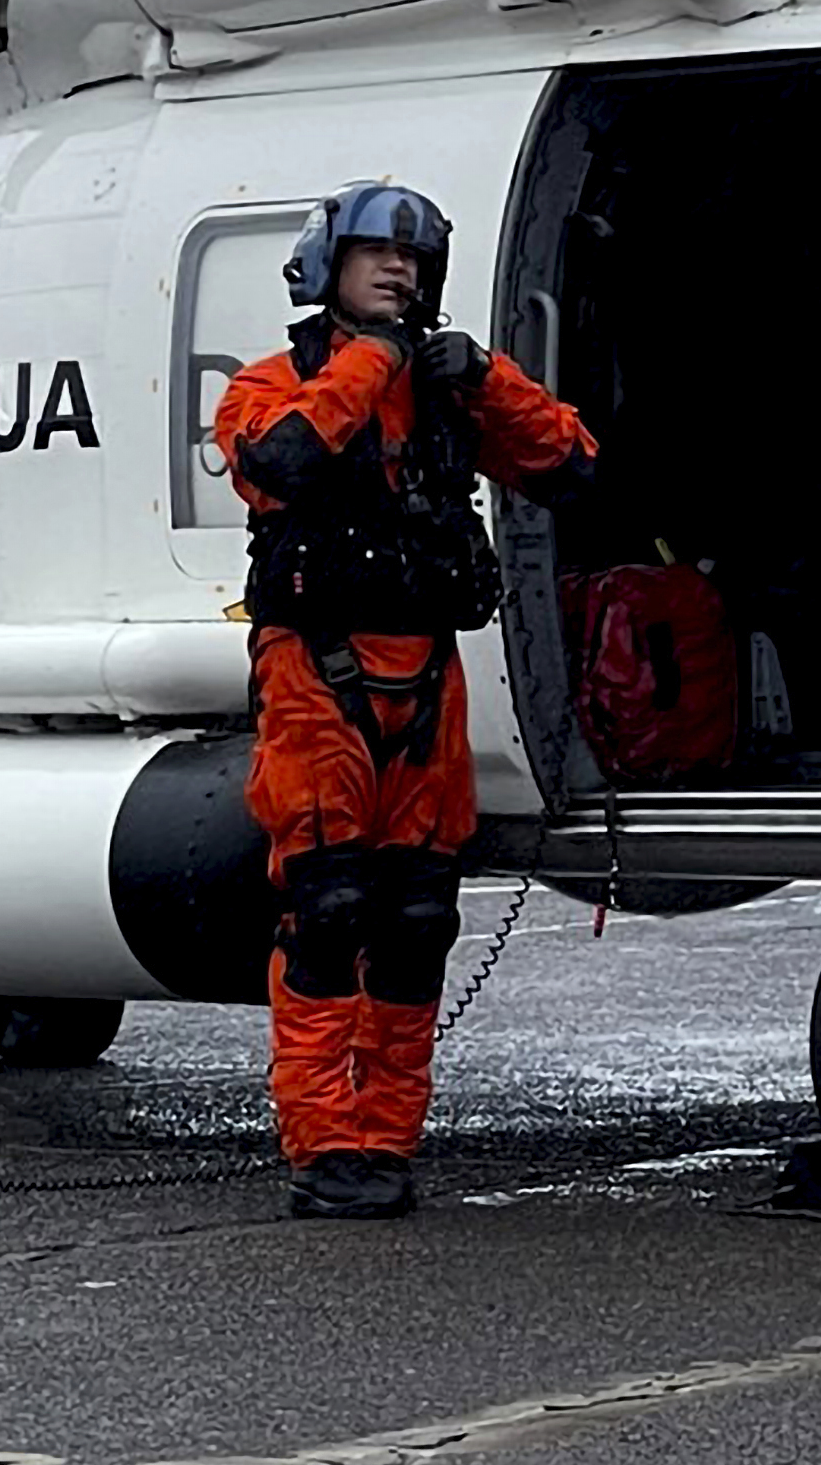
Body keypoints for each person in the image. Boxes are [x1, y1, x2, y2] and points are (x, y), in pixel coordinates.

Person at [216, 182, 594, 1222]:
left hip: (425, 673)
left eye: (413, 259)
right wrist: (370, 361)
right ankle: (322, 1139)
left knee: (417, 917)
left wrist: (484, 378)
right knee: (325, 908)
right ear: (325, 265)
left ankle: (383, 1135)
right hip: (315, 675)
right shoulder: (269, 382)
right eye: (377, 254)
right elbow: (278, 461)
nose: (399, 271)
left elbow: (568, 465)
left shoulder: (447, 388)